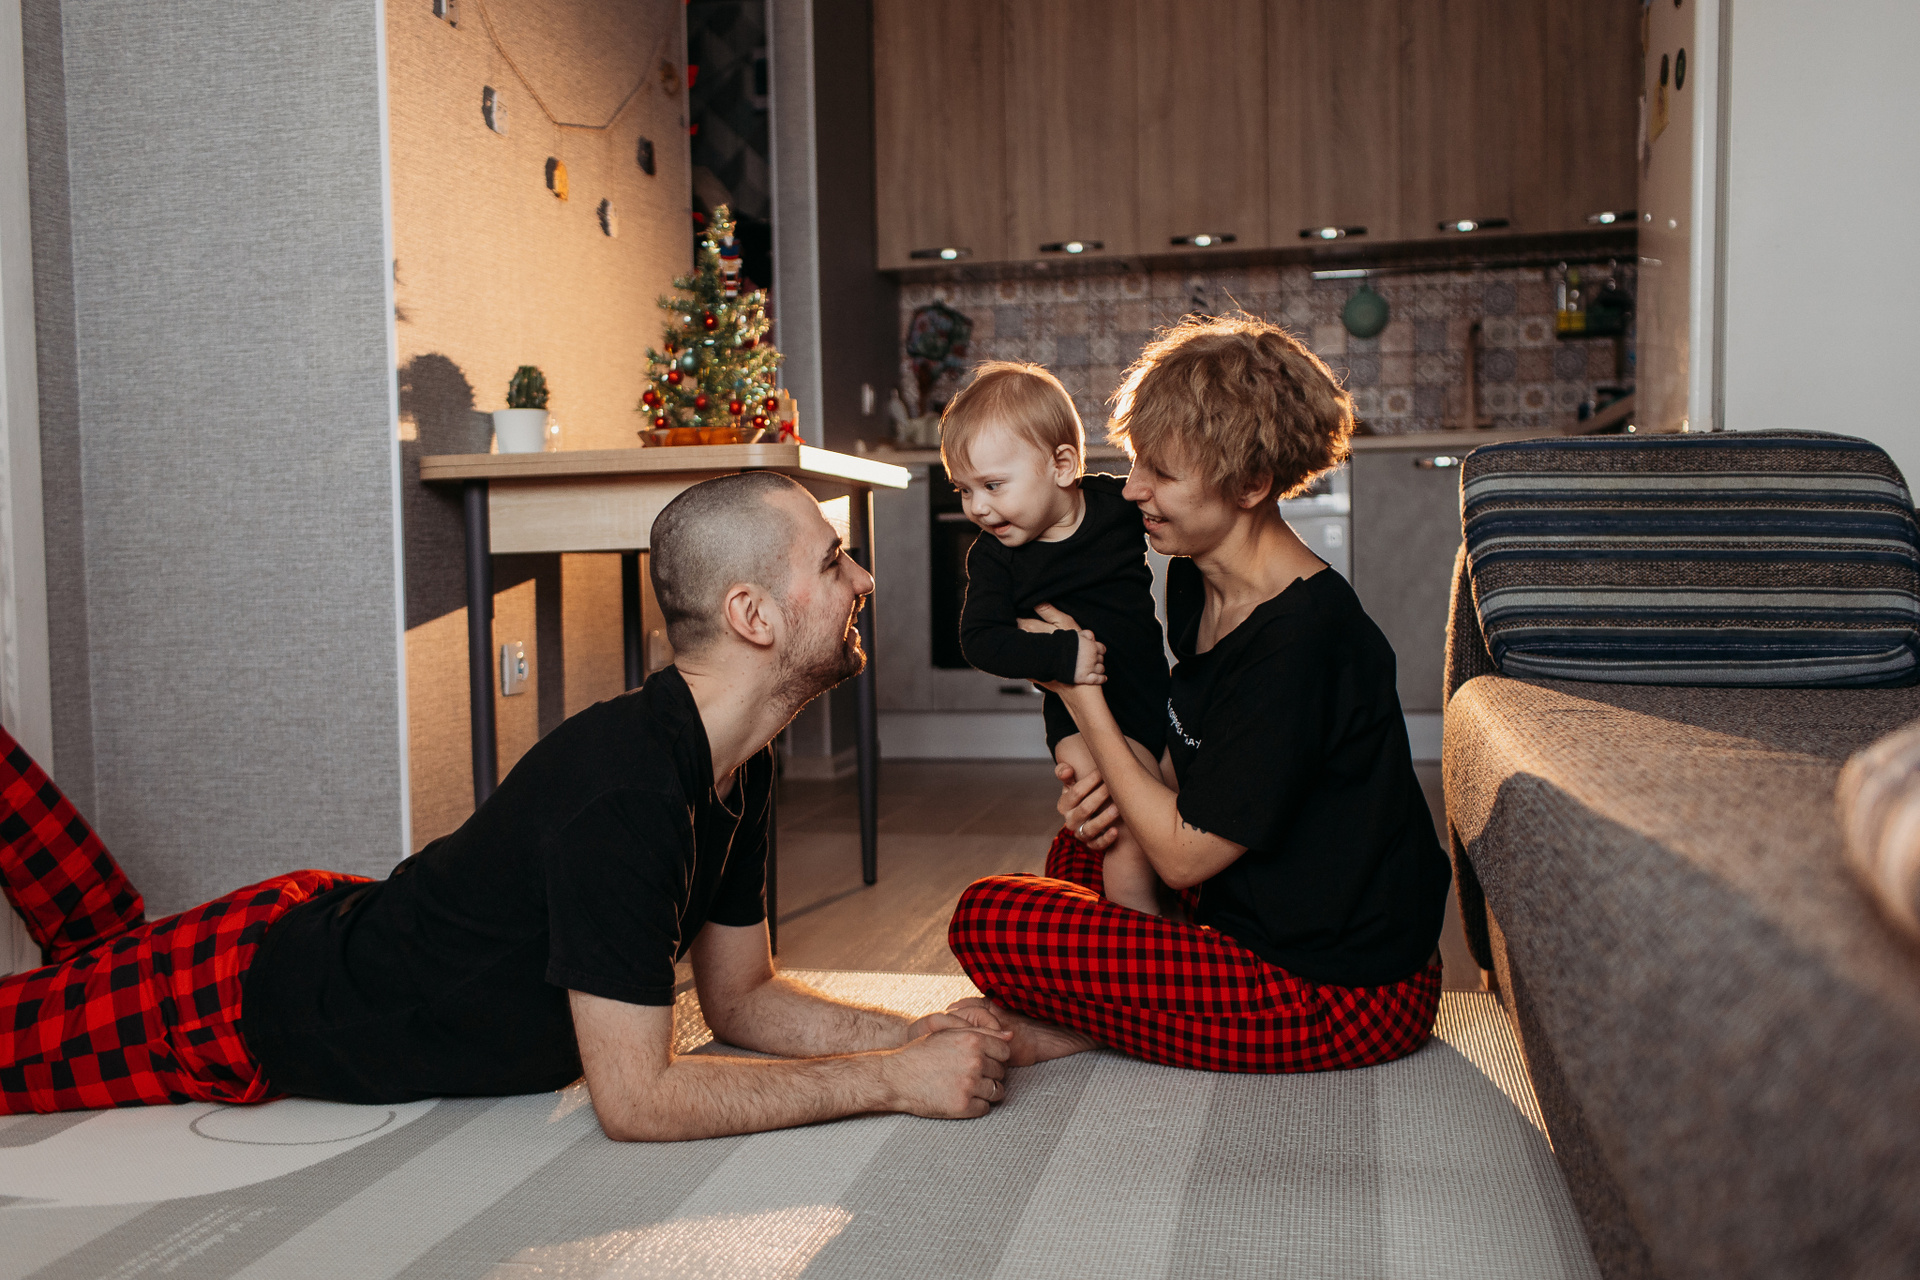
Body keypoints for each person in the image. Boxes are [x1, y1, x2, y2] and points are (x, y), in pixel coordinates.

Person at [0, 471, 1012, 1136]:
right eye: (833, 561)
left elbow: (741, 998)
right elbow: (639, 1099)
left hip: (325, 921)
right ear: (752, 615)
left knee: (96, 937)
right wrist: (890, 1082)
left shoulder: (735, 762)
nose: (863, 577)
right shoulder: (625, 788)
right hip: (230, 1000)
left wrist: (908, 1037)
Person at [947, 316, 1453, 1074]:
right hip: (1243, 911)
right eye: (1135, 462)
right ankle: (1123, 1013)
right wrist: (1117, 783)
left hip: (1340, 989)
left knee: (987, 919)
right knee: (1087, 842)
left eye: (1162, 474)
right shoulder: (1196, 578)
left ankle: (1103, 1019)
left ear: (1250, 485)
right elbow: (1204, 752)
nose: (1133, 489)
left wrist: (1080, 697)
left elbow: (1184, 859)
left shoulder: (1303, 641)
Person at [943, 362, 1172, 915]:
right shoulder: (994, 557)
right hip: (1078, 721)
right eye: (964, 490)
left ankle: (1180, 924)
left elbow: (1171, 509)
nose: (977, 507)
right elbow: (979, 639)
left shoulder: (1117, 506)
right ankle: (1136, 940)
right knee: (1126, 831)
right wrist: (1063, 654)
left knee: (1172, 815)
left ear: (1062, 466)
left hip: (1156, 696)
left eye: (992, 485)